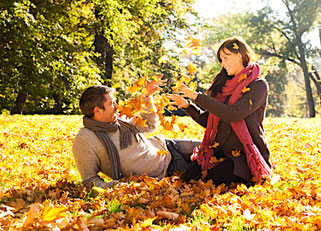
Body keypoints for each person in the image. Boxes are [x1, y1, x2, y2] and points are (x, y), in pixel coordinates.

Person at [167, 37, 272, 186]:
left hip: (243, 156)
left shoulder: (258, 85)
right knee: (188, 177)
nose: (223, 64)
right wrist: (187, 106)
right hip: (219, 152)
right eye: (221, 60)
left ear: (239, 55)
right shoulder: (224, 88)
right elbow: (207, 120)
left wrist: (198, 97)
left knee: (213, 179)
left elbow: (233, 114)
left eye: (226, 58)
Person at [72, 81, 200, 188]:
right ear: (98, 110)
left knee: (212, 145)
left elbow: (150, 124)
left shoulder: (119, 121)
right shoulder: (85, 140)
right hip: (168, 168)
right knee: (212, 171)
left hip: (168, 146)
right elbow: (89, 180)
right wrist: (118, 186)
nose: (117, 106)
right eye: (111, 104)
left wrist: (146, 96)